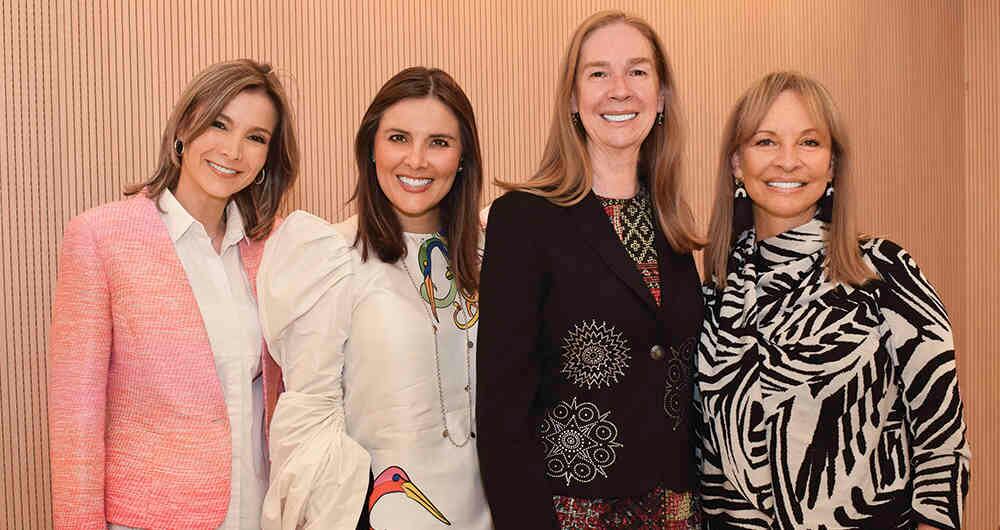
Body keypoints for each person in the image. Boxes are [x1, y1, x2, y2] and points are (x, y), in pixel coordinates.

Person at [697, 71, 971, 530]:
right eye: (765, 142)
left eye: (809, 142)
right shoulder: (713, 290)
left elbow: (942, 442)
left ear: (833, 165)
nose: (788, 161)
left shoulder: (884, 271)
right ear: (736, 164)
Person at [47, 58, 300, 529]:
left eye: (255, 137)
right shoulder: (102, 238)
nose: (232, 150)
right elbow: (75, 422)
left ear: (268, 157)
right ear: (184, 127)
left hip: (260, 513)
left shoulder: (278, 248)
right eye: (219, 124)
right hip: (148, 518)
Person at [476, 11, 704, 529]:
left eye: (638, 72)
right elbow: (501, 412)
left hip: (677, 514)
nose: (619, 90)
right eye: (598, 73)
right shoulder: (523, 219)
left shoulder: (672, 222)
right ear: (573, 100)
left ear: (662, 96)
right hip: (571, 514)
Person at [257, 67, 493, 530]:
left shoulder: (496, 253)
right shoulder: (330, 257)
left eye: (440, 143)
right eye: (399, 138)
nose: (417, 160)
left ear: (464, 157)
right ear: (371, 148)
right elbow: (309, 421)